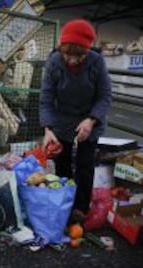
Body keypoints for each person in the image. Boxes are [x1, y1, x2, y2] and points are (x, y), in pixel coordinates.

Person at [39, 19, 112, 223]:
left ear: (87, 51)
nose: (71, 60)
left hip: (90, 119)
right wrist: (48, 129)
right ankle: (64, 201)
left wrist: (91, 120)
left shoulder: (97, 62)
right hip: (62, 120)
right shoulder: (54, 61)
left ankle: (80, 207)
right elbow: (45, 98)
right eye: (67, 54)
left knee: (85, 164)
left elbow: (105, 96)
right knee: (62, 164)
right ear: (61, 49)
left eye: (78, 56)